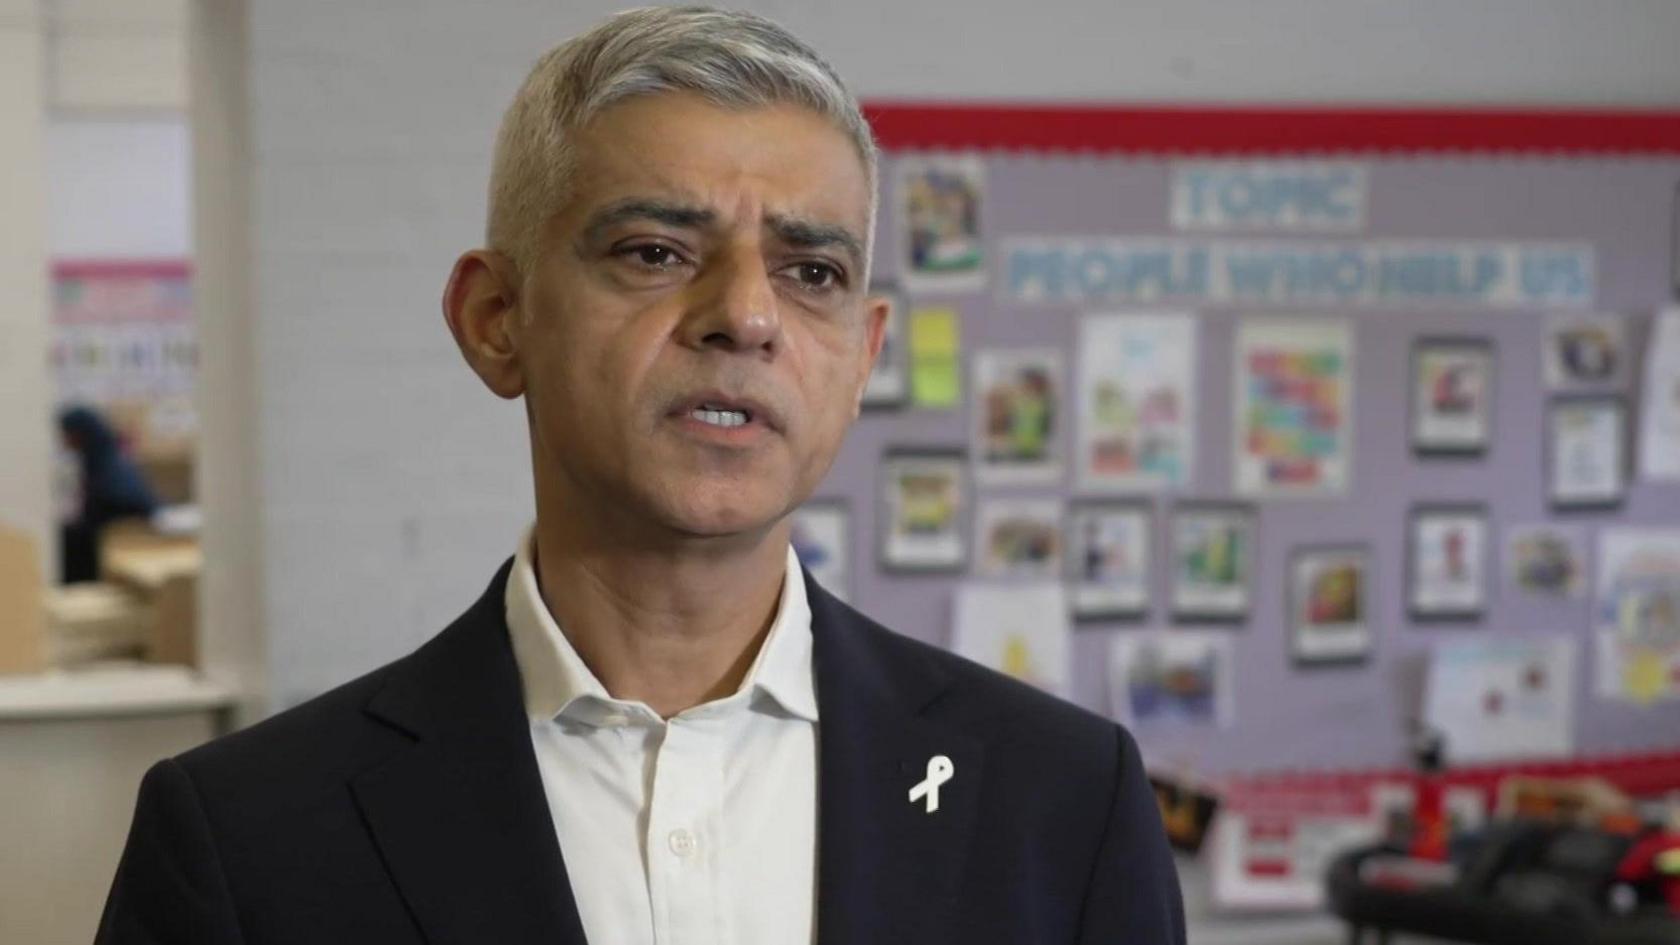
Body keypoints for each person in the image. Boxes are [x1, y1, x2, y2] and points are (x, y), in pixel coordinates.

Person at [96, 8, 1183, 944]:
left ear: (863, 357)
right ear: (496, 320)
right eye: (656, 251)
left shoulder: (1064, 801)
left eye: (812, 272)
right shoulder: (249, 837)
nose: (747, 316)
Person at [58, 405, 158, 584]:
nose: (64, 441)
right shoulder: (99, 456)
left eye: (67, 434)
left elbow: (123, 498)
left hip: (120, 532)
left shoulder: (106, 459)